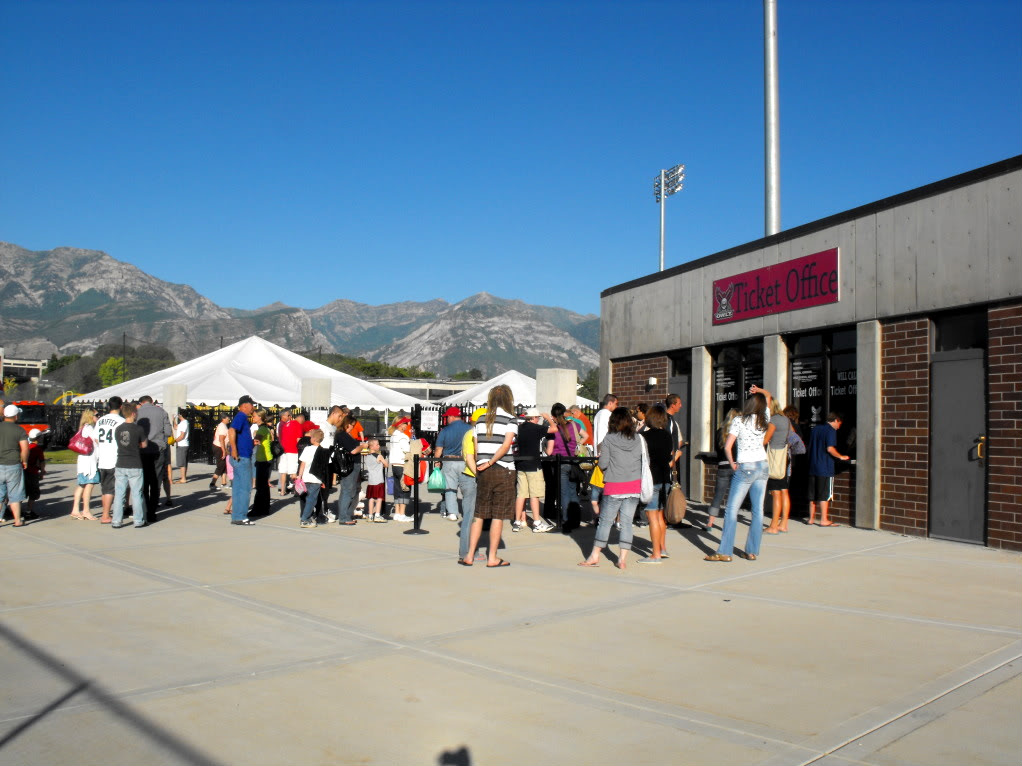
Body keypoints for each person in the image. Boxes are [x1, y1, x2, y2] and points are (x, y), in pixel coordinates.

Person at [705, 386, 772, 562]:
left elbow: (727, 446)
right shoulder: (764, 419)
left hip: (745, 465)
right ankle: (751, 551)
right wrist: (760, 390)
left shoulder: (739, 420)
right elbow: (769, 397)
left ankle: (725, 551)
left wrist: (733, 463)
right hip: (763, 465)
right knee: (758, 510)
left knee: (731, 509)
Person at [460, 384, 517, 567]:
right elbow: (506, 445)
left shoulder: (481, 420)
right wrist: (492, 461)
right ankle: (492, 557)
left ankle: (469, 555)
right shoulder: (510, 419)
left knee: (479, 514)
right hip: (503, 469)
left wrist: (482, 465)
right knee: (498, 515)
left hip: (482, 470)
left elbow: (476, 448)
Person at [579, 407, 642, 570]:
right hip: (634, 484)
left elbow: (603, 463)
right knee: (627, 523)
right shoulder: (638, 439)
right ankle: (622, 559)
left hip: (614, 484)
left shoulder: (609, 439)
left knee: (605, 522)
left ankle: (595, 555)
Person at [638, 404, 673, 562]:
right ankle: (662, 547)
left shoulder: (645, 437)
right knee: (660, 516)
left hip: (651, 479)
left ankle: (655, 554)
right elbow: (669, 457)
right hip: (666, 478)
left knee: (652, 517)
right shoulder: (667, 436)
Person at [513, 408, 553, 532]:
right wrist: (548, 419)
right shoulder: (536, 428)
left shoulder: (520, 428)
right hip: (533, 464)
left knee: (521, 494)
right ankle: (537, 522)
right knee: (534, 495)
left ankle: (517, 521)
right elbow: (554, 429)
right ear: (535, 417)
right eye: (538, 418)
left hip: (521, 464)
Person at [807, 412, 850, 527]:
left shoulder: (815, 429)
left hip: (813, 465)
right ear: (836, 420)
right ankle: (823, 519)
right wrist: (841, 456)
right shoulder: (831, 431)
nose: (839, 426)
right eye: (839, 423)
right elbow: (830, 449)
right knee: (824, 494)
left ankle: (811, 518)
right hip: (825, 467)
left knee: (812, 494)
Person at [136, 395, 173, 521]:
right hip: (158, 449)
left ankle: (145, 509)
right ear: (152, 402)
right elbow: (168, 432)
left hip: (142, 450)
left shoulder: (138, 412)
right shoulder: (162, 412)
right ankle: (152, 511)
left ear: (141, 403)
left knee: (144, 481)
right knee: (156, 481)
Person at [112, 402, 148, 529]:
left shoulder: (118, 428)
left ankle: (116, 520)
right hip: (135, 463)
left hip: (121, 462)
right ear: (133, 414)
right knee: (136, 494)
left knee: (119, 493)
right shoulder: (138, 429)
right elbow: (144, 444)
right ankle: (138, 520)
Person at [549, 402, 583, 533]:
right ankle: (576, 519)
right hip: (574, 462)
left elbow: (550, 451)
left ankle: (566, 519)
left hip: (561, 462)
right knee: (573, 491)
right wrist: (577, 446)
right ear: (564, 413)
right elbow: (585, 436)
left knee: (564, 493)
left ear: (553, 416)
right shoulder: (575, 425)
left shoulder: (554, 430)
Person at [434, 406, 472, 521]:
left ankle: (453, 513)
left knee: (450, 488)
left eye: (447, 417)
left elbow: (439, 449)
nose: (447, 419)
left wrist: (436, 462)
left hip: (449, 461)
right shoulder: (470, 429)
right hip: (466, 461)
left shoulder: (445, 430)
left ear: (451, 416)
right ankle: (468, 513)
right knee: (468, 489)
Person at [705, 408, 740, 532]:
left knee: (718, 496)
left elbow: (717, 450)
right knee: (733, 498)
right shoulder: (738, 432)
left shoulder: (719, 432)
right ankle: (728, 524)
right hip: (736, 466)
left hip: (722, 466)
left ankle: (710, 523)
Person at [587, 394, 617, 524]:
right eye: (615, 404)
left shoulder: (598, 414)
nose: (616, 406)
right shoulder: (607, 415)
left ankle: (597, 517)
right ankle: (607, 517)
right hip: (606, 453)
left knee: (596, 488)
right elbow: (609, 434)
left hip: (598, 453)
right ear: (610, 403)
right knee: (608, 489)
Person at [94, 397, 125, 523]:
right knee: (112, 489)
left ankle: (106, 512)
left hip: (102, 458)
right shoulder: (121, 421)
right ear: (121, 406)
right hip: (115, 458)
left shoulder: (101, 420)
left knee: (106, 488)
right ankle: (106, 515)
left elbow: (96, 438)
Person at [332, 412, 365, 525]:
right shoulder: (343, 435)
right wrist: (362, 446)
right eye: (352, 425)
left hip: (350, 465)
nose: (352, 427)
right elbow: (353, 450)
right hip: (349, 465)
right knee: (348, 491)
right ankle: (344, 517)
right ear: (347, 424)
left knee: (347, 490)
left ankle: (344, 515)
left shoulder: (343, 435)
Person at [764, 400, 791, 534]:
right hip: (784, 458)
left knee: (775, 492)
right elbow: (791, 436)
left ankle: (773, 525)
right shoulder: (786, 419)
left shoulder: (773, 421)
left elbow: (765, 440)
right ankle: (783, 523)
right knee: (784, 490)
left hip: (774, 458)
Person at [228, 395, 257, 525]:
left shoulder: (243, 418)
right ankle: (240, 516)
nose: (253, 408)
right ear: (245, 405)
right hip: (242, 457)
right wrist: (234, 449)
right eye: (252, 405)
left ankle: (237, 516)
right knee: (245, 487)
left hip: (242, 455)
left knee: (238, 488)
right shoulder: (241, 416)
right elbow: (232, 430)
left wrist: (251, 442)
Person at [0, 403, 29, 527]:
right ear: (16, 416)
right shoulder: (20, 430)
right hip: (13, 464)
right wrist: (25, 461)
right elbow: (25, 448)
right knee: (15, 494)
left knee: (0, 494)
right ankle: (17, 520)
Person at [71, 408, 100, 520]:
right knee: (89, 484)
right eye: (96, 415)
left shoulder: (83, 427)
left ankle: (75, 509)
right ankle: (86, 510)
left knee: (81, 485)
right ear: (90, 416)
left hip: (83, 460)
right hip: (89, 462)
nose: (98, 417)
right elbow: (97, 441)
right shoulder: (90, 428)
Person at [297, 429, 327, 528]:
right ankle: (305, 519)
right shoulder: (323, 451)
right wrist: (323, 480)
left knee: (307, 498)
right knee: (312, 499)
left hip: (306, 477)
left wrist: (299, 476)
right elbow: (324, 467)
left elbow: (302, 464)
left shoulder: (307, 449)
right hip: (316, 478)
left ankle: (305, 517)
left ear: (313, 439)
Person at [388, 416, 414, 522]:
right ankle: (402, 513)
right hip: (402, 464)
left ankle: (397, 512)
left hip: (394, 465)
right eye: (405, 424)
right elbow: (407, 450)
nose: (407, 426)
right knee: (405, 489)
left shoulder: (393, 435)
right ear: (400, 424)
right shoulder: (402, 437)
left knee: (397, 489)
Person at [251, 409, 275, 516]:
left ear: (260, 417)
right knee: (263, 486)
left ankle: (257, 509)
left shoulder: (261, 429)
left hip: (263, 460)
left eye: (255, 416)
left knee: (261, 486)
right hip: (264, 459)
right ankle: (264, 508)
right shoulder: (264, 428)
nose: (253, 417)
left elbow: (255, 441)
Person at [23, 428, 48, 520]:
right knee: (33, 493)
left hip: (23, 472)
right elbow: (41, 461)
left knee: (22, 492)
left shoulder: (26, 446)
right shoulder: (37, 449)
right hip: (32, 473)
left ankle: (14, 510)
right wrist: (42, 472)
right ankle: (28, 512)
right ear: (38, 438)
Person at [277, 408, 302, 495]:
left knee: (283, 471)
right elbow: (298, 439)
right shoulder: (296, 424)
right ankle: (297, 491)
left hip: (283, 451)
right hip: (293, 451)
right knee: (293, 472)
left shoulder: (282, 425)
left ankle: (282, 491)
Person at [363, 438, 389, 522]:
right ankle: (377, 515)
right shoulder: (379, 456)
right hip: (378, 480)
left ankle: (370, 515)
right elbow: (386, 464)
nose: (379, 446)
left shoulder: (366, 455)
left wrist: (367, 446)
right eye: (377, 444)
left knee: (371, 498)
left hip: (371, 481)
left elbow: (363, 450)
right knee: (379, 498)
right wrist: (383, 463)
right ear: (372, 446)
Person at [209, 413, 231, 491]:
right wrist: (224, 451)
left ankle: (223, 482)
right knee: (220, 465)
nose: (229, 419)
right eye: (228, 418)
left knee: (224, 465)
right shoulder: (222, 426)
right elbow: (221, 439)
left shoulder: (223, 426)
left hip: (220, 446)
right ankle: (212, 483)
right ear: (223, 418)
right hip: (219, 447)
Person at [172, 411, 190, 483]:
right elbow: (176, 427)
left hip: (182, 444)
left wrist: (174, 441)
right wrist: (173, 419)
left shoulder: (184, 423)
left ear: (181, 415)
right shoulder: (182, 423)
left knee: (182, 462)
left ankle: (183, 478)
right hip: (183, 444)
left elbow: (182, 436)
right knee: (183, 461)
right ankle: (183, 477)